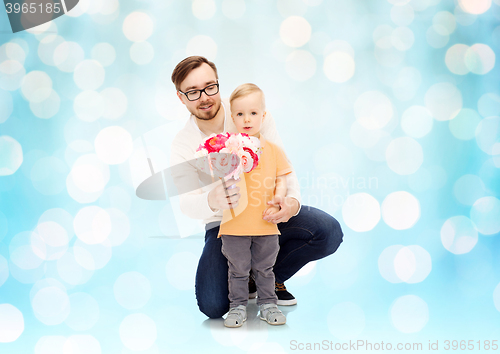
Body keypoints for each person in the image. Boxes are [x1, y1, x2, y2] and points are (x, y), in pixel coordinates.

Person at [169, 56, 344, 319]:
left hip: (265, 212)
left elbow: (283, 164)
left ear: (218, 83)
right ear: (181, 97)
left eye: (210, 87)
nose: (205, 97)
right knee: (213, 305)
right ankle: (245, 275)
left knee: (327, 231)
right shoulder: (183, 144)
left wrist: (292, 201)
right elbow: (185, 203)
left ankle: (263, 279)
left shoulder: (247, 110)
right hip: (223, 225)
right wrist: (212, 199)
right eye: (193, 92)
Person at [218, 83, 291, 327]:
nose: (246, 119)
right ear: (232, 117)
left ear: (263, 115)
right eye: (240, 114)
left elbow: (283, 177)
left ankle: (268, 304)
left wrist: (279, 198)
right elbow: (216, 180)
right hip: (234, 224)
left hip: (265, 222)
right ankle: (237, 307)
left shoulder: (273, 150)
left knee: (265, 269)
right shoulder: (227, 149)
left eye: (253, 113)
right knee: (237, 270)